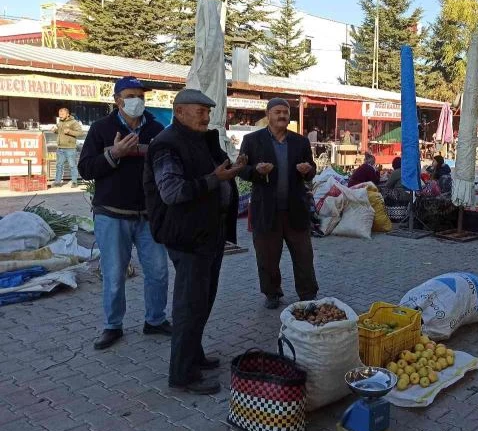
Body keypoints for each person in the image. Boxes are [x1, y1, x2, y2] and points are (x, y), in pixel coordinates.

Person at [144, 88, 244, 395]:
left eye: (208, 111)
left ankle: (194, 354)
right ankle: (182, 374)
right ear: (179, 112)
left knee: (203, 301)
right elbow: (172, 192)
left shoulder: (202, 138)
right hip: (187, 237)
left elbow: (221, 172)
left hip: (209, 234)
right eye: (200, 111)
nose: (206, 116)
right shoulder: (166, 144)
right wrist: (216, 179)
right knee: (189, 305)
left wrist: (237, 169)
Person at [78, 76, 170, 351]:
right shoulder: (101, 128)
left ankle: (155, 320)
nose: (137, 101)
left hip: (147, 215)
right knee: (114, 275)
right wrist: (115, 153)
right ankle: (113, 326)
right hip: (112, 214)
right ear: (117, 99)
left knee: (158, 272)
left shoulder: (156, 128)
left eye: (141, 96)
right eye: (131, 95)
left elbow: (165, 166)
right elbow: (85, 169)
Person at [238, 98, 318, 310]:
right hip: (266, 210)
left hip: (295, 210)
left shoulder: (300, 142)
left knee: (303, 256)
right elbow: (241, 169)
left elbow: (312, 167)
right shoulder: (252, 140)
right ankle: (272, 293)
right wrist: (256, 171)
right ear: (268, 114)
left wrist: (307, 170)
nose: (282, 116)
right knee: (267, 257)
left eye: (285, 112)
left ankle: (308, 293)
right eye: (277, 112)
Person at [53, 107, 83, 188]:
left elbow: (80, 133)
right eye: (59, 114)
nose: (60, 115)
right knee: (59, 165)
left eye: (62, 114)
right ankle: (57, 182)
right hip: (60, 148)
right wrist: (55, 130)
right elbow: (60, 132)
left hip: (70, 148)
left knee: (72, 165)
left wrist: (70, 131)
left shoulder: (73, 122)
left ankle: (74, 182)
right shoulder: (60, 122)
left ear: (67, 114)